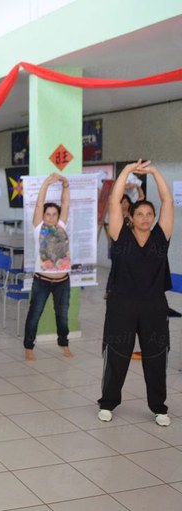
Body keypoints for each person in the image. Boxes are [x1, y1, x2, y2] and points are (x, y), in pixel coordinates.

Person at [98, 159, 173, 427]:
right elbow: (114, 200)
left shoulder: (160, 239)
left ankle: (159, 407)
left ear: (153, 219)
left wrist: (153, 172)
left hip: (153, 306)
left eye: (148, 214)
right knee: (117, 354)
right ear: (131, 217)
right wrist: (127, 170)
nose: (145, 218)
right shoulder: (121, 236)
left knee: (155, 356)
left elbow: (167, 201)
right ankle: (107, 403)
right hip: (122, 305)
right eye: (139, 214)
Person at [23, 173, 72, 361]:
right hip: (42, 281)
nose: (51, 217)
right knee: (34, 314)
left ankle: (64, 343)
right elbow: (38, 203)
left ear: (58, 216)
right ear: (43, 215)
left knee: (62, 316)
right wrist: (45, 184)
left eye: (54, 214)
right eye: (48, 214)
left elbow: (65, 204)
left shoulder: (62, 226)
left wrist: (65, 185)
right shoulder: (38, 228)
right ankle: (29, 346)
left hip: (63, 281)